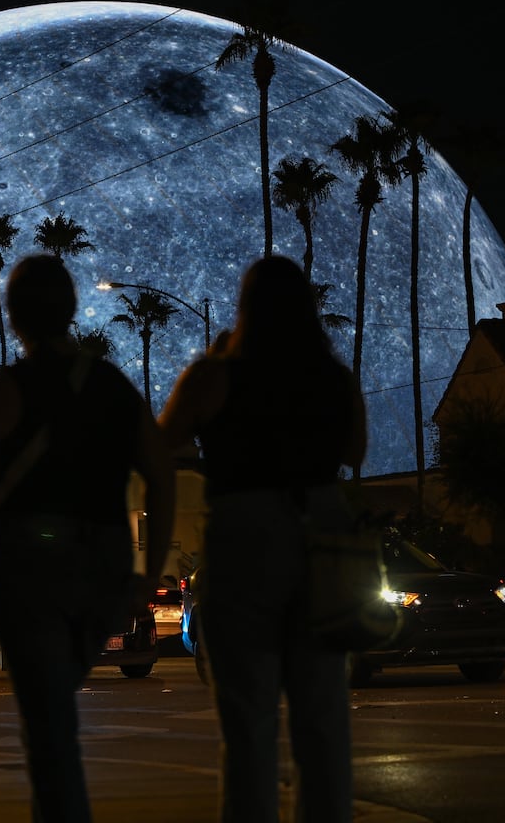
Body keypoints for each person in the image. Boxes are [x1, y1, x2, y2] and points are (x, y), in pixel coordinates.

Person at [0, 253, 175, 823]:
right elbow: (160, 474)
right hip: (100, 560)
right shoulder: (112, 387)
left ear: (14, 318)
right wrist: (147, 575)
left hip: (28, 562)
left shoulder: (1, 392)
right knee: (59, 702)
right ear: (72, 309)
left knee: (48, 726)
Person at [158, 254, 367, 823]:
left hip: (243, 533)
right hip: (321, 530)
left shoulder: (217, 375)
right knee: (322, 719)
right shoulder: (331, 378)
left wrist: (216, 362)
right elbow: (356, 451)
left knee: (247, 721)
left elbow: (164, 438)